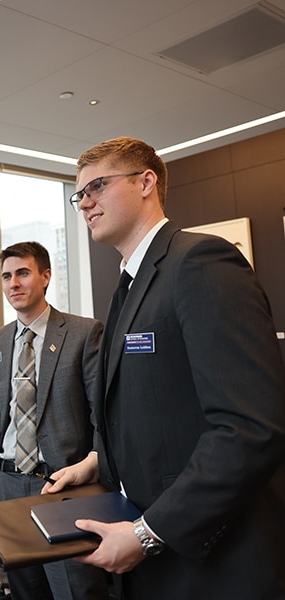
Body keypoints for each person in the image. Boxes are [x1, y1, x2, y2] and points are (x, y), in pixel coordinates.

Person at [46, 136, 285, 599]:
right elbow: (157, 408)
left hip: (211, 561)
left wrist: (147, 534)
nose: (85, 203)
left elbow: (249, 428)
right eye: (79, 195)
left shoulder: (200, 261)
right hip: (151, 553)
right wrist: (97, 462)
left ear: (145, 183)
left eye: (97, 186)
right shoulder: (129, 285)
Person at [0, 241, 108, 600]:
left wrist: (95, 463)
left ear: (45, 276)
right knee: (24, 590)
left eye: (23, 273)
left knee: (75, 590)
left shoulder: (83, 333)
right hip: (4, 486)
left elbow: (103, 415)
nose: (13, 283)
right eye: (6, 276)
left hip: (62, 487)